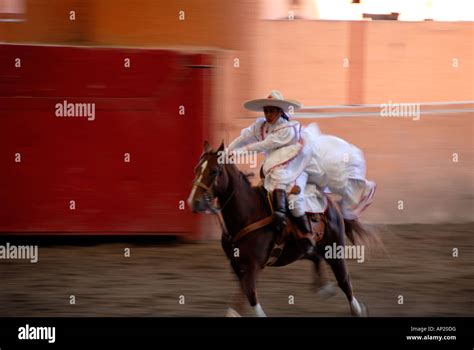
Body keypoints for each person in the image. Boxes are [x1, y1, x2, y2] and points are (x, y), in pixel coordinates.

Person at [227, 90, 315, 252]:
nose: (268, 114)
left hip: (293, 164)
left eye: (272, 111)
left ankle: (306, 235)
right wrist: (227, 151)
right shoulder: (260, 125)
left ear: (280, 111)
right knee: (267, 185)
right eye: (266, 110)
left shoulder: (287, 128)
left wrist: (238, 153)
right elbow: (244, 137)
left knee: (294, 200)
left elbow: (264, 145)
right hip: (274, 166)